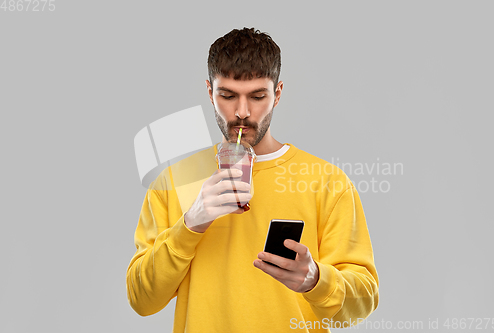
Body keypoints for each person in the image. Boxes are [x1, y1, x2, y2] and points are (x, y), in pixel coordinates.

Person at [126, 27, 379, 332]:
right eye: (228, 95)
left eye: (258, 96)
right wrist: (190, 224)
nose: (242, 112)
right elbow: (142, 300)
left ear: (278, 93)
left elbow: (362, 304)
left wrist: (315, 280)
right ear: (209, 92)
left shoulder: (328, 182)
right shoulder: (173, 180)